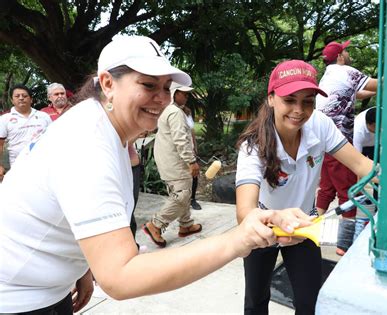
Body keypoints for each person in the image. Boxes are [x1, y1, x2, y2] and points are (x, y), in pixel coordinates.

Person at [0, 35, 312, 314]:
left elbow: (70, 214)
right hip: (17, 297)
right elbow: (121, 276)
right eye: (148, 85)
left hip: (49, 289)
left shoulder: (107, 129)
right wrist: (239, 239)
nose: (161, 98)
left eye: (166, 87)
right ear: (108, 83)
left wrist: (82, 269)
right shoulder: (87, 143)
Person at [235, 59, 374, 314]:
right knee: (255, 301)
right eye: (290, 99)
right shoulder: (253, 146)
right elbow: (245, 211)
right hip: (263, 227)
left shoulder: (319, 124)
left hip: (306, 226)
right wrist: (277, 227)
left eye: (307, 101)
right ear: (271, 98)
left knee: (310, 302)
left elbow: (362, 166)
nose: (299, 110)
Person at [315, 40, 378, 256]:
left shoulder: (329, 75)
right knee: (349, 190)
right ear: (340, 56)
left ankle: (309, 230)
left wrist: (371, 93)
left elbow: (356, 94)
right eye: (346, 51)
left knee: (327, 188)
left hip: (322, 140)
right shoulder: (347, 71)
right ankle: (344, 245)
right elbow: (378, 85)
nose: (348, 53)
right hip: (338, 141)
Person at [142, 82, 201, 248]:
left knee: (182, 192)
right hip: (175, 161)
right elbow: (180, 139)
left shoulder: (167, 110)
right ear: (175, 93)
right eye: (184, 93)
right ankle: (156, 224)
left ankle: (186, 224)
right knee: (182, 194)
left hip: (167, 159)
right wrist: (191, 161)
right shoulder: (175, 112)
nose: (187, 96)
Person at [0, 83, 52, 181]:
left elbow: (53, 139)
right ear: (12, 100)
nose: (21, 98)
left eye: (24, 96)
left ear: (31, 99)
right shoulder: (4, 119)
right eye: (17, 96)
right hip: (19, 167)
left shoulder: (44, 116)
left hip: (45, 165)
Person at [353, 106, 378, 241]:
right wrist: (358, 186)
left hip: (375, 145)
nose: (380, 129)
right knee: (362, 175)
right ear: (369, 125)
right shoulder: (358, 129)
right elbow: (356, 162)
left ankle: (377, 204)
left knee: (377, 172)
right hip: (364, 146)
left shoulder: (382, 120)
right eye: (376, 127)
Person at [179, 98, 202, 210]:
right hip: (180, 151)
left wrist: (195, 147)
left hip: (190, 148)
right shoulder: (174, 114)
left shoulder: (187, 112)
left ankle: (192, 199)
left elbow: (192, 131)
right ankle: (183, 201)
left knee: (195, 175)